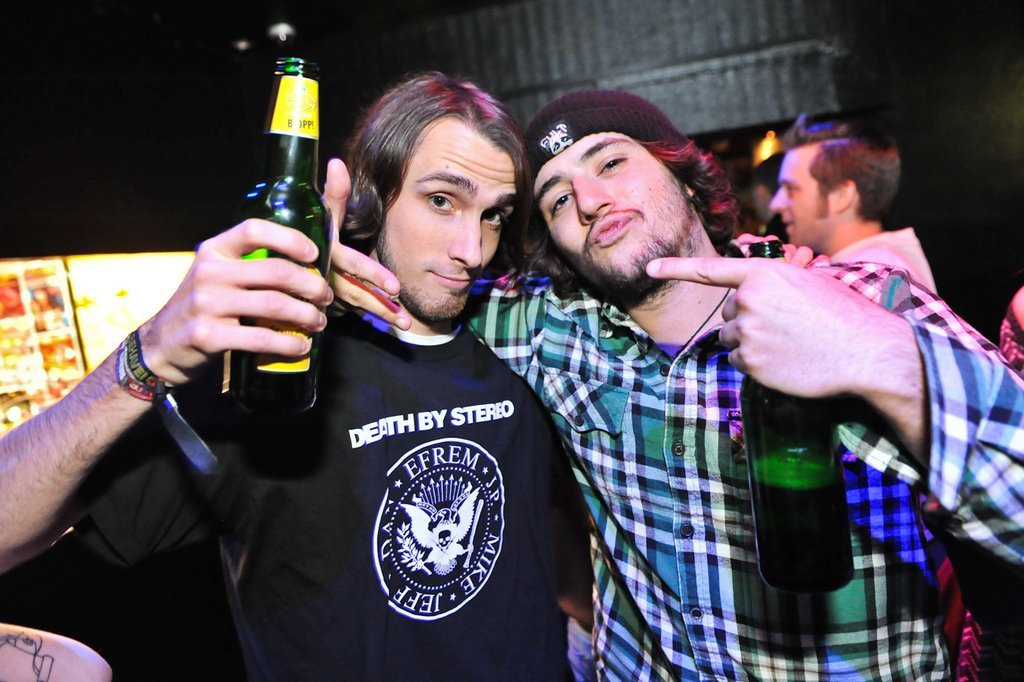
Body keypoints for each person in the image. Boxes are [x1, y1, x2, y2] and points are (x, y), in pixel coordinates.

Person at [323, 88, 1024, 680]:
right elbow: (413, 278)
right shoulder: (548, 330)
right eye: (557, 199)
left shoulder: (864, 299)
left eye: (611, 162)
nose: (589, 200)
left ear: (683, 175)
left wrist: (876, 356)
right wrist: (315, 265)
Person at [0, 72, 590, 681]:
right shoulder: (273, 368)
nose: (473, 247)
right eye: (441, 200)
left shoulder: (520, 343)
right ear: (369, 196)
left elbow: (541, 517)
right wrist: (150, 353)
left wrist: (588, 627)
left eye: (494, 215)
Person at [770, 113, 938, 291]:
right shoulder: (883, 264)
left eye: (791, 189)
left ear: (841, 195)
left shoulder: (874, 273)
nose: (775, 204)